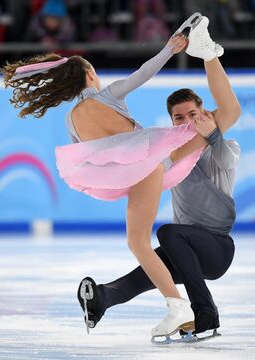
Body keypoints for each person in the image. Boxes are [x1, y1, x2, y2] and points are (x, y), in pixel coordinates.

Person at [2, 14, 230, 339]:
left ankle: (177, 306)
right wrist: (169, 49)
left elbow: (89, 159)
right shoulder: (107, 95)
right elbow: (144, 73)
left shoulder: (71, 120)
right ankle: (177, 306)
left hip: (133, 173)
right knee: (139, 240)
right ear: (90, 75)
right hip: (148, 164)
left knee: (137, 243)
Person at [75, 24, 242, 339]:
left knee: (167, 233)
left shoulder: (222, 147)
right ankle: (102, 298)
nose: (187, 122)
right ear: (171, 124)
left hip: (217, 248)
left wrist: (209, 57)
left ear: (204, 113)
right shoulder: (173, 152)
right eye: (179, 118)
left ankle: (205, 313)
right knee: (148, 271)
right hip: (185, 249)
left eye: (193, 114)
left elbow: (231, 112)